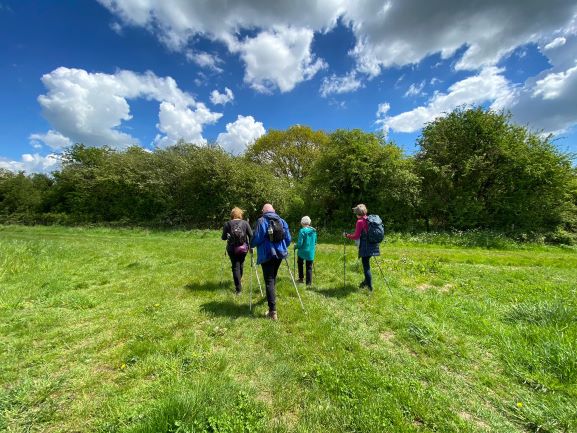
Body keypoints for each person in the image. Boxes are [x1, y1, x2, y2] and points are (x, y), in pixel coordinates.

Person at [250, 203, 291, 320]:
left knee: (269, 280)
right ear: (273, 210)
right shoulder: (282, 221)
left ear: (263, 211)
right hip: (280, 254)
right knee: (273, 277)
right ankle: (271, 298)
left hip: (267, 254)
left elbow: (257, 237)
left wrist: (251, 245)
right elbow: (288, 239)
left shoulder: (262, 221)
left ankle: (272, 311)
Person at [344, 204, 380, 291]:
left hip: (366, 247)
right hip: (374, 245)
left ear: (357, 213)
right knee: (367, 263)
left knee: (366, 266)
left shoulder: (360, 222)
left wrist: (347, 235)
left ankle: (370, 287)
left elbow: (356, 236)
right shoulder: (369, 219)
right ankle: (365, 282)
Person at [221, 207, 253, 294]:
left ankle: (238, 289)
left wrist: (228, 235)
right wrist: (251, 246)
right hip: (243, 248)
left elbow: (223, 238)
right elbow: (251, 235)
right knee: (241, 264)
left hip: (232, 248)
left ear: (232, 215)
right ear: (240, 214)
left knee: (235, 266)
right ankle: (239, 280)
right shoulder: (245, 223)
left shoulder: (227, 224)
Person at [294, 216, 317, 286]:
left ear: (302, 223)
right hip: (310, 252)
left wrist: (295, 246)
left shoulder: (302, 231)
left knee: (300, 263)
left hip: (302, 251)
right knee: (309, 267)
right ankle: (308, 283)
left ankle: (301, 278)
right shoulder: (314, 231)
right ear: (309, 222)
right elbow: (315, 242)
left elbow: (300, 243)